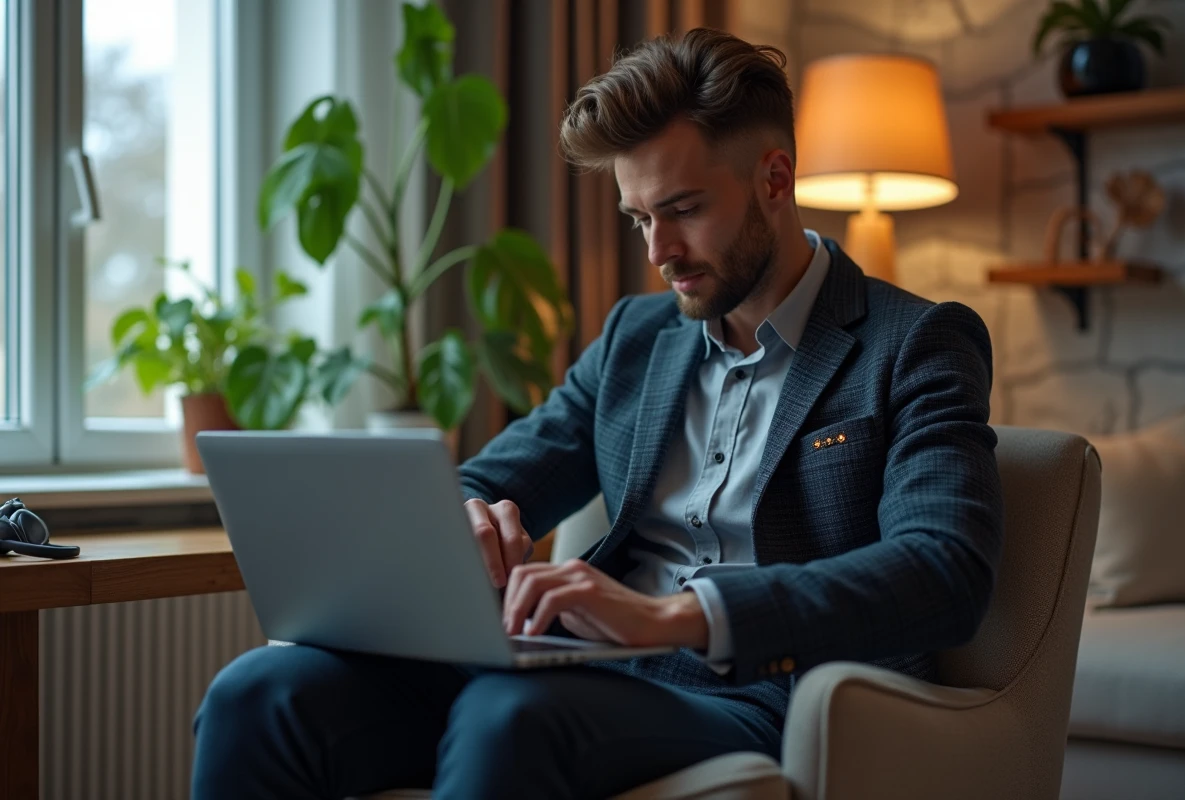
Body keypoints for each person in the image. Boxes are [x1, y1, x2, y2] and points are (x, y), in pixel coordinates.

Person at [191, 28, 1003, 800]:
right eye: (640, 218)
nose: (657, 251)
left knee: (509, 717)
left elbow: (941, 570)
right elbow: (492, 475)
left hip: (758, 693)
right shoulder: (635, 339)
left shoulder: (915, 342)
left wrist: (673, 617)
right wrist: (467, 519)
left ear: (775, 179)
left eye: (683, 210)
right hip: (578, 674)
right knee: (260, 691)